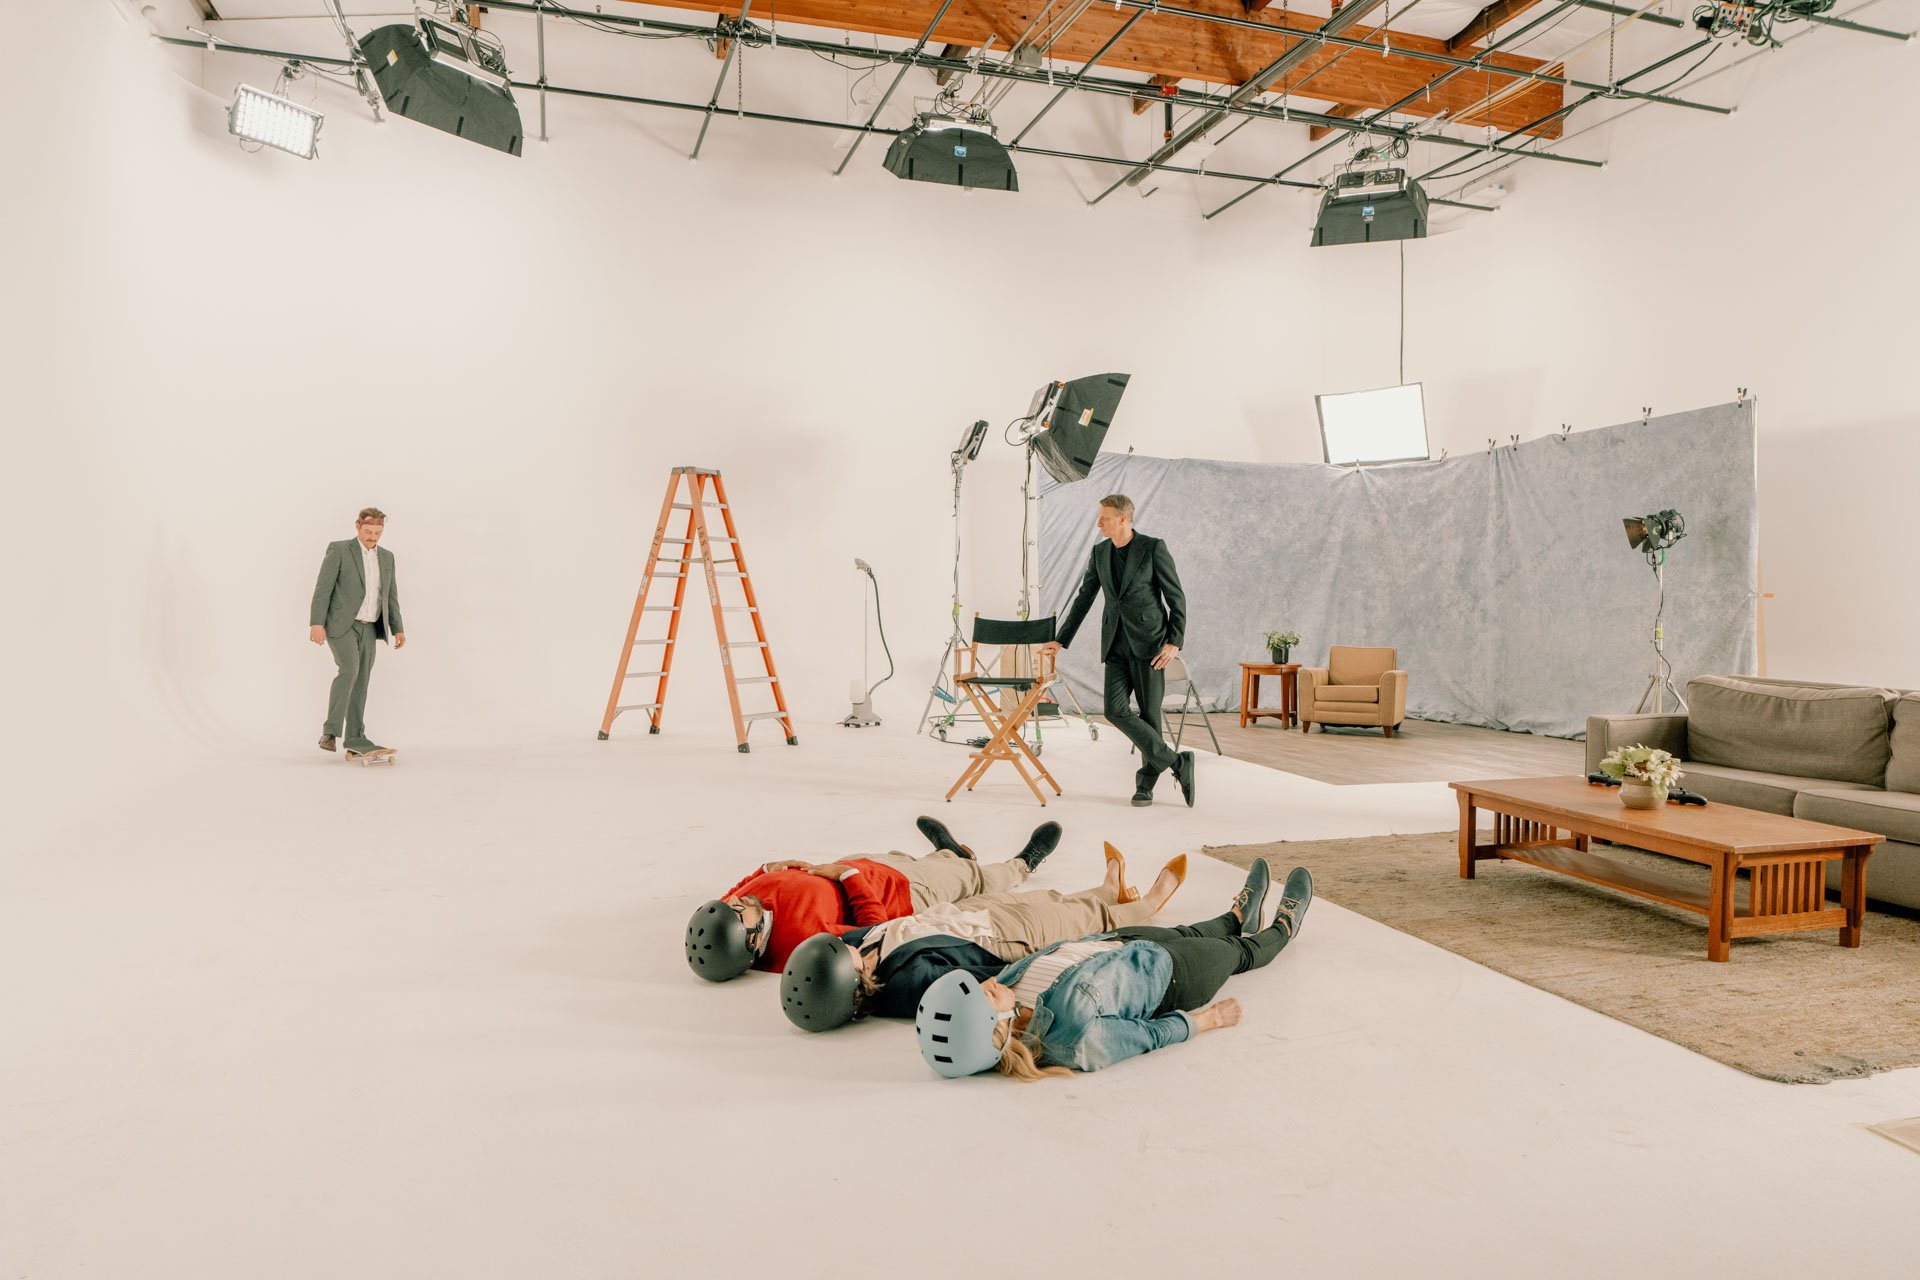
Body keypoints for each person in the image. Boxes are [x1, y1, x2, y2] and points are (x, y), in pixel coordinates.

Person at [914, 862, 1312, 1080]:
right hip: (1172, 978)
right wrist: (1206, 1021)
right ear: (994, 1026)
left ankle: (1239, 913)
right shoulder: (1070, 1040)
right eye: (983, 994)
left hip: (1118, 942)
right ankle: (1284, 927)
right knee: (1237, 951)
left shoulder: (1004, 986)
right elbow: (1143, 1036)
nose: (986, 982)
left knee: (1189, 930)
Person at [780, 844, 1210, 1031]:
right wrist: (1040, 958)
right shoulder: (909, 987)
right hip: (1001, 939)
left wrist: (849, 876)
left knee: (1050, 898)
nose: (850, 944)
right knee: (1073, 920)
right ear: (854, 983)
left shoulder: (860, 945)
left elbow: (877, 921)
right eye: (847, 954)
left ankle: (1105, 889)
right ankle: (1146, 904)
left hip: (965, 915)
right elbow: (988, 978)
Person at [685, 817, 1060, 982]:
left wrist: (768, 867)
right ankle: (1022, 864)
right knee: (973, 879)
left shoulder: (730, 919)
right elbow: (876, 930)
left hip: (865, 864)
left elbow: (732, 894)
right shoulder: (804, 944)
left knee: (913, 857)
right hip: (904, 891)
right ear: (751, 941)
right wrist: (848, 878)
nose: (738, 901)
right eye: (738, 912)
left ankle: (949, 853)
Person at [1040, 494, 1194, 808]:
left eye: (1105, 517)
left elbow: (1176, 599)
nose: (1099, 523)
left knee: (1150, 717)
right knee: (1114, 710)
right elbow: (1084, 598)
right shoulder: (1100, 553)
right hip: (1115, 644)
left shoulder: (1153, 548)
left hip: (1151, 644)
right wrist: (1061, 638)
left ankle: (1145, 786)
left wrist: (1173, 642)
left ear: (1123, 518)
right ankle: (1178, 762)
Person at [309, 507, 405, 757]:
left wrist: (398, 628)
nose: (373, 537)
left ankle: (355, 737)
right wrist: (316, 623)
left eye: (378, 532)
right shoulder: (340, 549)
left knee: (362, 680)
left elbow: (390, 596)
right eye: (368, 531)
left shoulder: (387, 557)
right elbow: (323, 588)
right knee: (349, 670)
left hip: (370, 627)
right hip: (341, 624)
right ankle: (330, 732)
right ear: (357, 527)